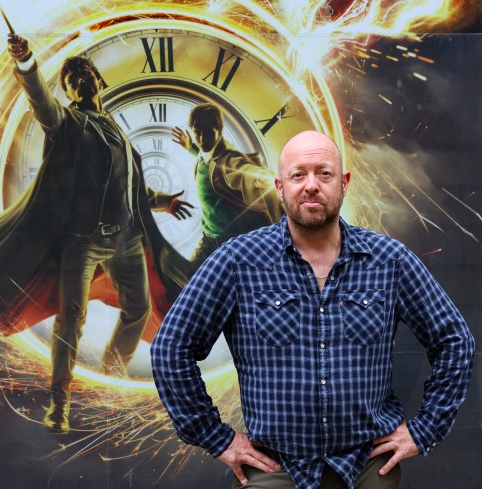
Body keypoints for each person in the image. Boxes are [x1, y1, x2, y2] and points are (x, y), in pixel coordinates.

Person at [0, 34, 194, 435]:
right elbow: (42, 104)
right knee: (71, 317)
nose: (77, 82)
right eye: (70, 80)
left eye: (82, 74)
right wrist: (26, 63)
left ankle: (110, 375)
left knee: (138, 309)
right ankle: (59, 403)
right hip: (85, 239)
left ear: (96, 80)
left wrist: (161, 200)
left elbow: (128, 186)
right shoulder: (68, 124)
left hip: (128, 239)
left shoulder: (116, 133)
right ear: (69, 91)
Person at [151, 130, 475, 488]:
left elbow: (455, 340)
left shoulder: (390, 260)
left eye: (324, 173)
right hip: (274, 466)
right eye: (298, 174)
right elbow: (171, 348)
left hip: (366, 466)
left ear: (344, 183)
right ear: (279, 186)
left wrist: (424, 430)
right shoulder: (237, 260)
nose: (311, 185)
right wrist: (217, 439)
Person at [171, 103, 281, 267]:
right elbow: (206, 160)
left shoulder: (230, 160)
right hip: (209, 237)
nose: (200, 139)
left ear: (219, 129)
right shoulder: (206, 153)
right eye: (196, 133)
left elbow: (249, 172)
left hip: (230, 242)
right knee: (185, 278)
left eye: (206, 132)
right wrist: (191, 147)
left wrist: (265, 179)